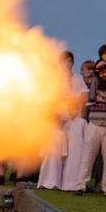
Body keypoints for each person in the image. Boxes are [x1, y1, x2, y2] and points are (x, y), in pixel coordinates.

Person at [39, 50, 87, 190]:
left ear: (72, 63)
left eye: (69, 61)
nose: (67, 64)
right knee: (54, 152)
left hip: (74, 119)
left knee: (74, 153)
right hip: (57, 120)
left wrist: (71, 102)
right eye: (64, 61)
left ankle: (70, 184)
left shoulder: (78, 78)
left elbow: (84, 96)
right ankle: (50, 182)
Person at [73, 62, 106, 195]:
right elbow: (91, 94)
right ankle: (81, 185)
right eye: (102, 72)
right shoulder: (95, 81)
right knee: (87, 157)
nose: (105, 74)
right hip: (94, 124)